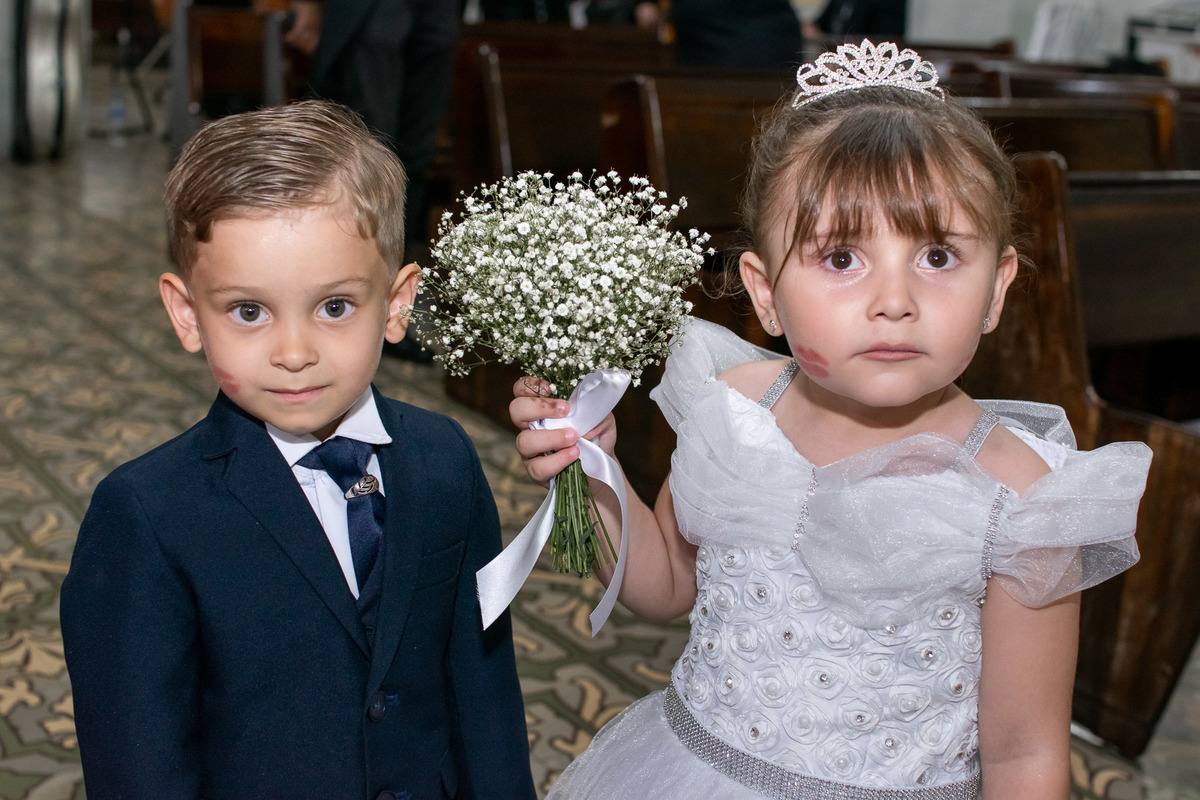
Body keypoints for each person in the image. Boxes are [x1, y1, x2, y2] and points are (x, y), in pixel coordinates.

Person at [508, 40, 1151, 799]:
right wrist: (591, 472)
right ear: (765, 293)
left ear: (997, 288)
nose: (895, 300)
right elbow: (667, 585)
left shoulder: (1023, 499)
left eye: (938, 257)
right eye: (842, 258)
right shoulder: (736, 413)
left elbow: (1024, 753)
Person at [60, 100, 536, 800]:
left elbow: (484, 691)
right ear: (188, 315)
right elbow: (139, 761)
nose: (293, 352)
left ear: (397, 303)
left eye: (334, 306)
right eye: (248, 311)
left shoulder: (446, 460)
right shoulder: (145, 515)